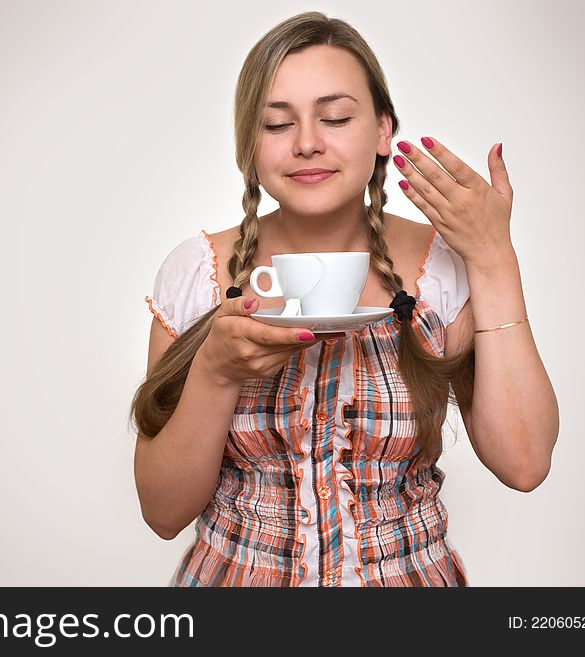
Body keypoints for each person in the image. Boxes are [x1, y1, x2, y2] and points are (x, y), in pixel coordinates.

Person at [129, 12, 558, 587]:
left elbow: (524, 464)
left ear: (383, 131)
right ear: (247, 145)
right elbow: (162, 513)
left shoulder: (440, 270)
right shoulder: (198, 274)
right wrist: (216, 372)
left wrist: (493, 259)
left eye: (335, 118)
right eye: (277, 124)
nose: (308, 143)